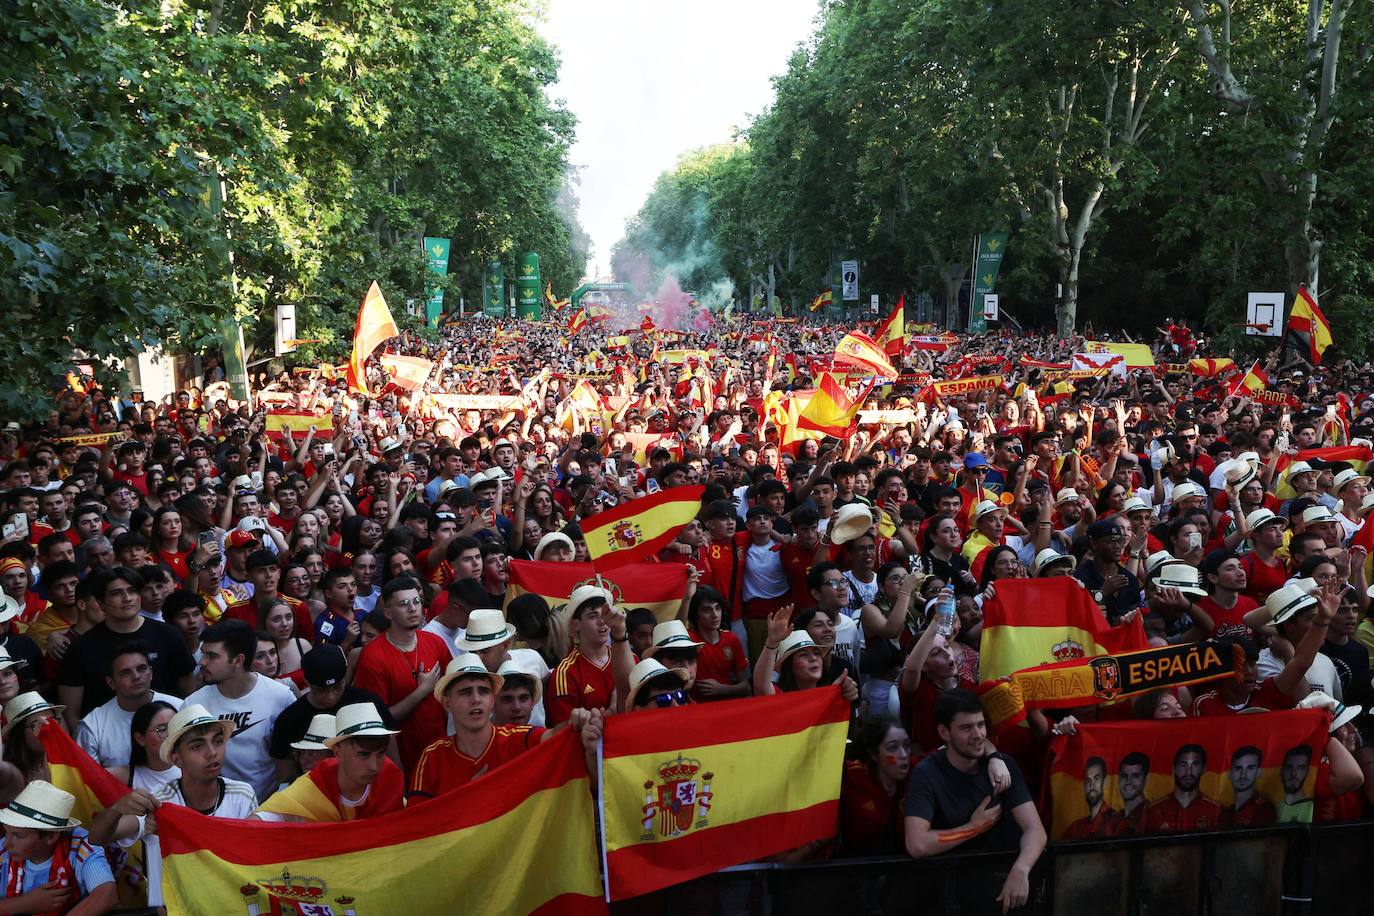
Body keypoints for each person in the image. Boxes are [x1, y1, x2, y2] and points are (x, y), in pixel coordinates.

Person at [904, 691, 1044, 914]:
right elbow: (917, 844)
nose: (978, 734)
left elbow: (1035, 829)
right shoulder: (926, 773)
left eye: (981, 725)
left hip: (996, 887)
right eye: (967, 728)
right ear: (944, 732)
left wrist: (1021, 868)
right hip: (944, 893)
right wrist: (973, 828)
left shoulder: (1003, 765)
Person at [409, 653, 601, 799]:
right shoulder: (432, 757)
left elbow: (557, 737)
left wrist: (578, 722)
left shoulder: (519, 738)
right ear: (446, 703)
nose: (476, 699)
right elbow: (417, 828)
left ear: (492, 700)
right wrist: (467, 798)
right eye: (465, 692)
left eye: (483, 691)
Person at [57, 566, 196, 726]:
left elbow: (190, 697)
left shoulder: (168, 635)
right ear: (101, 603)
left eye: (132, 591)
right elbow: (71, 715)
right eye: (116, 593)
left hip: (167, 733)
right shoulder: (81, 648)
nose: (127, 598)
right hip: (104, 740)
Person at [183, 619, 295, 801]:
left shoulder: (281, 697)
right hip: (216, 812)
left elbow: (290, 765)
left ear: (238, 660)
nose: (202, 662)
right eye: (203, 654)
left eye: (211, 656)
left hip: (269, 809)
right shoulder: (193, 705)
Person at [351, 577, 452, 775]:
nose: (413, 608)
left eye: (416, 601)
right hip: (402, 762)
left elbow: (450, 696)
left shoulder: (435, 642)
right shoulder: (373, 656)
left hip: (440, 753)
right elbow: (378, 720)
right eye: (404, 604)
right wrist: (422, 691)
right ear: (388, 612)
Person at [255, 703, 404, 822]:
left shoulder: (390, 777)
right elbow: (260, 821)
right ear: (337, 751)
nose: (374, 766)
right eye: (363, 755)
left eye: (381, 754)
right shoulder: (314, 784)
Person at [268, 645, 397, 781]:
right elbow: (286, 777)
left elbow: (392, 756)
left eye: (337, 687)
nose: (330, 696)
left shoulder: (370, 704)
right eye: (321, 690)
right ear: (307, 682)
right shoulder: (289, 720)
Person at [0, 780, 117, 913]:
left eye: (18, 836)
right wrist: (23, 904)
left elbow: (107, 895)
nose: (6, 843)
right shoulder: (3, 850)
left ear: (51, 837)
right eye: (6, 832)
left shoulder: (81, 846)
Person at [75, 641, 182, 769]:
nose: (136, 676)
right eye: (125, 673)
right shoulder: (92, 726)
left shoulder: (180, 708)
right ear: (111, 682)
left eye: (142, 669)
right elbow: (90, 780)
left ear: (151, 673)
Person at [838, 719, 912, 857]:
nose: (903, 755)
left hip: (901, 869)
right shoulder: (850, 776)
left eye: (907, 745)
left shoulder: (918, 772)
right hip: (851, 869)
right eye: (893, 747)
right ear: (873, 754)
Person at [546, 586, 616, 726]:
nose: (602, 621)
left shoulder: (630, 658)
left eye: (604, 614)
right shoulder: (565, 674)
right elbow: (563, 732)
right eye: (593, 616)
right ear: (576, 624)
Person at [1142, 744, 1223, 833]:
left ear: (1203, 769)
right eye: (1183, 765)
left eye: (1195, 765)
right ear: (1174, 769)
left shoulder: (1215, 810)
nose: (1188, 772)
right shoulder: (1154, 809)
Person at [108, 700, 180, 793]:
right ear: (140, 739)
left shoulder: (192, 770)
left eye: (175, 727)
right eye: (162, 729)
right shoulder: (122, 777)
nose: (171, 734)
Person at [1060, 757, 1125, 840]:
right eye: (1088, 780)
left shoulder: (1116, 823)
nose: (1091, 785)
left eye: (1096, 779)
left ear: (1104, 782)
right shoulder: (1076, 828)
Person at [1220, 746, 1276, 827]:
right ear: (1230, 774)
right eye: (1238, 768)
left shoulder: (1264, 809)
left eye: (1250, 768)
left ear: (1258, 772)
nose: (1243, 774)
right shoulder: (1225, 814)